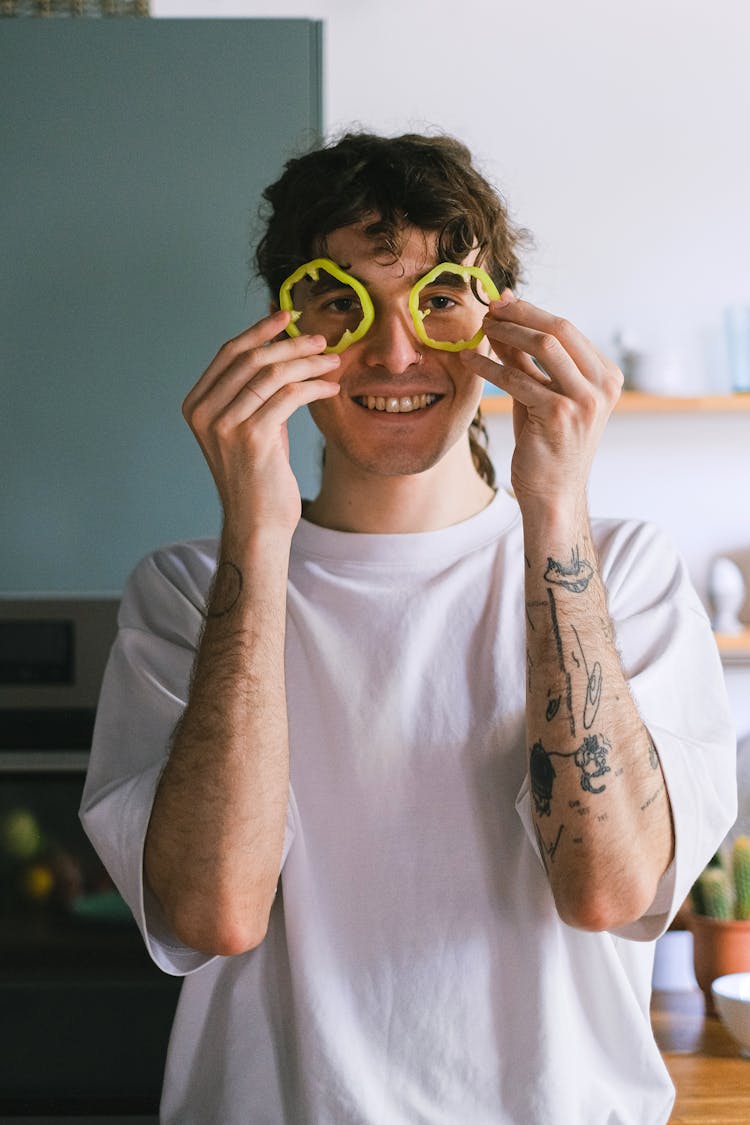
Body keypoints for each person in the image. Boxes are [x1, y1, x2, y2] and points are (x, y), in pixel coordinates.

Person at [80, 132, 736, 1125]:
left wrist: (553, 505)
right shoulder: (184, 592)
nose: (393, 353)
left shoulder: (628, 573)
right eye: (342, 301)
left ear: (499, 322)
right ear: (284, 327)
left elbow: (608, 887)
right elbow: (215, 912)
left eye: (438, 302)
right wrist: (257, 534)